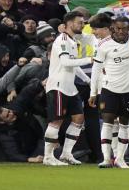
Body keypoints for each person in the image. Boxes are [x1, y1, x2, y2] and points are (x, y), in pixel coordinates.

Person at [89, 17, 129, 168]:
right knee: (108, 123)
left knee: (125, 124)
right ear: (112, 28)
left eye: (125, 28)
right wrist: (93, 92)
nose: (121, 31)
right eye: (118, 28)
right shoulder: (104, 45)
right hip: (109, 88)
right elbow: (96, 69)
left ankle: (120, 159)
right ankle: (106, 158)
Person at [43, 11, 92, 166]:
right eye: (79, 22)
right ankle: (48, 156)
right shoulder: (62, 40)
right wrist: (90, 59)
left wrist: (87, 80)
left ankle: (66, 154)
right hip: (58, 86)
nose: (82, 25)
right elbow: (66, 62)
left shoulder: (72, 41)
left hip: (70, 87)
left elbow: (73, 64)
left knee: (78, 119)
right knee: (56, 121)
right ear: (70, 24)